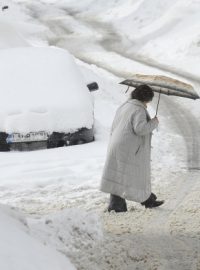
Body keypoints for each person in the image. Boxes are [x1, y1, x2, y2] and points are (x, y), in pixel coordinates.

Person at [100, 84, 164, 212]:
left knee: (119, 175)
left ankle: (144, 200)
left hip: (118, 144)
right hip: (129, 147)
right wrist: (154, 122)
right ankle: (120, 205)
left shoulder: (126, 105)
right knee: (134, 174)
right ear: (145, 98)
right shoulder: (138, 109)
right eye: (148, 100)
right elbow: (140, 129)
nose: (148, 103)